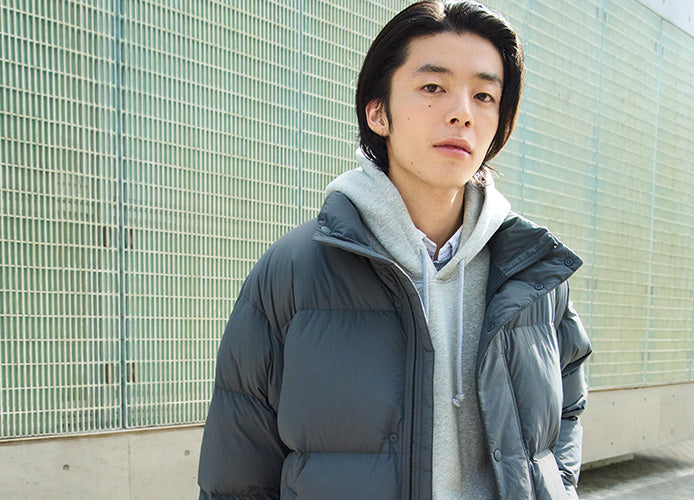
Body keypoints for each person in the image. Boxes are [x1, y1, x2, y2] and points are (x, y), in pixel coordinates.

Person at [197, 1, 591, 498]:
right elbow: (238, 469)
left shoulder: (532, 271)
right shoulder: (294, 270)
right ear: (378, 112)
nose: (462, 113)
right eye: (433, 87)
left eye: (485, 95)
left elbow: (566, 414)